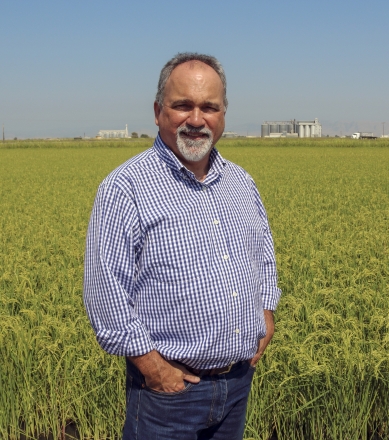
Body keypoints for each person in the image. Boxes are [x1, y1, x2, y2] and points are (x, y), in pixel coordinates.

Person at [83, 52, 281, 440]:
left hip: (237, 385)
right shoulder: (126, 187)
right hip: (168, 396)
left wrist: (266, 313)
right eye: (182, 106)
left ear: (223, 115)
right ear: (158, 111)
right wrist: (154, 369)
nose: (196, 119)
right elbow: (104, 292)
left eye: (209, 107)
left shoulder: (241, 183)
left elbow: (263, 255)